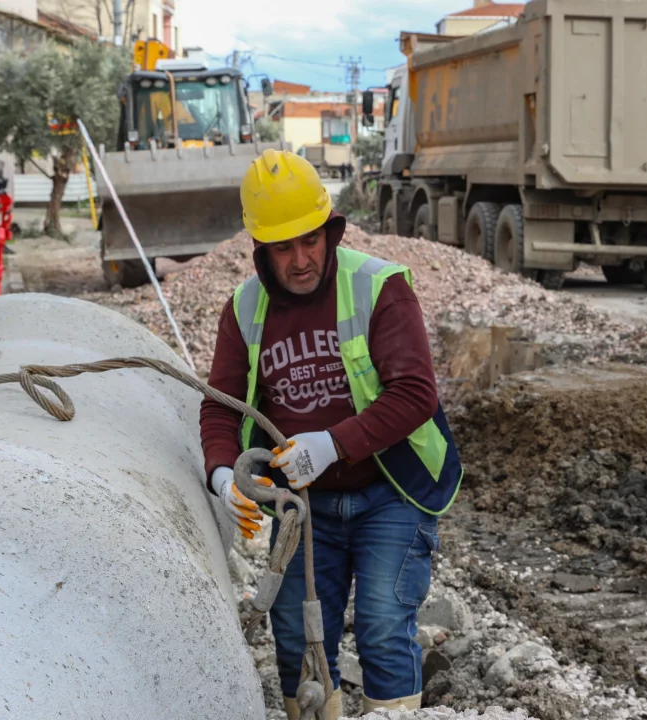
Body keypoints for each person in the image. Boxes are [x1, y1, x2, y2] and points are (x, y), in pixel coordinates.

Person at [199, 148, 464, 719]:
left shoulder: (377, 286)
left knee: (382, 619)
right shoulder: (244, 312)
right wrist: (223, 474)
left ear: (329, 230)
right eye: (283, 248)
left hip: (390, 490)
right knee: (294, 629)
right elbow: (221, 407)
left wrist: (332, 445)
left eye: (310, 241)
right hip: (304, 507)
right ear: (261, 251)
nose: (300, 260)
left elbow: (416, 394)